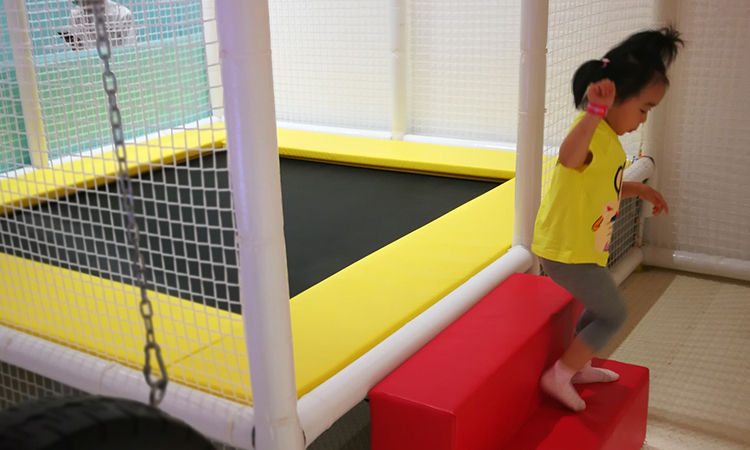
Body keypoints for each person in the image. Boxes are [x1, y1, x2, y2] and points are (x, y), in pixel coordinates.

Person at [532, 26, 684, 412]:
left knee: (602, 310)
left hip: (583, 248)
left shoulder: (610, 142)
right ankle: (560, 374)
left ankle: (577, 365)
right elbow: (569, 158)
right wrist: (594, 111)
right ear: (615, 97)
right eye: (644, 109)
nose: (643, 120)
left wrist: (640, 191)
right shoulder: (593, 132)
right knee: (614, 314)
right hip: (567, 250)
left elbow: (605, 189)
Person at [60, 0, 135, 50]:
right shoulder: (75, 15)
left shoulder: (123, 16)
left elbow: (131, 53)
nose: (81, 5)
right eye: (77, 2)